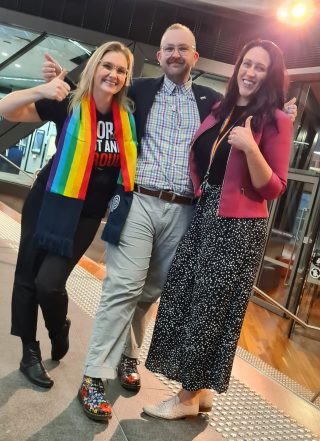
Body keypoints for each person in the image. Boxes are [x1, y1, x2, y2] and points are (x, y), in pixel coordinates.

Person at [43, 25, 296, 422]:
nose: (175, 54)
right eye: (168, 49)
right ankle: (94, 375)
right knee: (122, 288)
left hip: (187, 211)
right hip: (140, 200)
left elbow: (264, 148)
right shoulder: (139, 91)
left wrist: (281, 119)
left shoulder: (214, 101)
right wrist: (62, 83)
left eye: (184, 49)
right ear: (159, 56)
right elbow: (101, 93)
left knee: (151, 293)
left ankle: (129, 355)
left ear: (196, 57)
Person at [143, 39, 293, 420]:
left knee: (209, 310)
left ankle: (186, 399)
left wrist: (251, 149)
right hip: (206, 212)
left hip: (237, 227)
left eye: (260, 67)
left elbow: (274, 187)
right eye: (247, 63)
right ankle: (203, 387)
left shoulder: (276, 120)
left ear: (270, 75)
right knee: (186, 297)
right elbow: (204, 160)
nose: (251, 72)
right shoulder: (220, 109)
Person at [0, 41, 136, 392]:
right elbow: (7, 109)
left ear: (126, 76)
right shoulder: (70, 104)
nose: (113, 74)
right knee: (28, 275)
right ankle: (29, 351)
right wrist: (41, 89)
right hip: (47, 200)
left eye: (121, 69)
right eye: (107, 65)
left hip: (87, 215)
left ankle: (59, 329)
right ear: (95, 67)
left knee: (50, 282)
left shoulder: (127, 119)